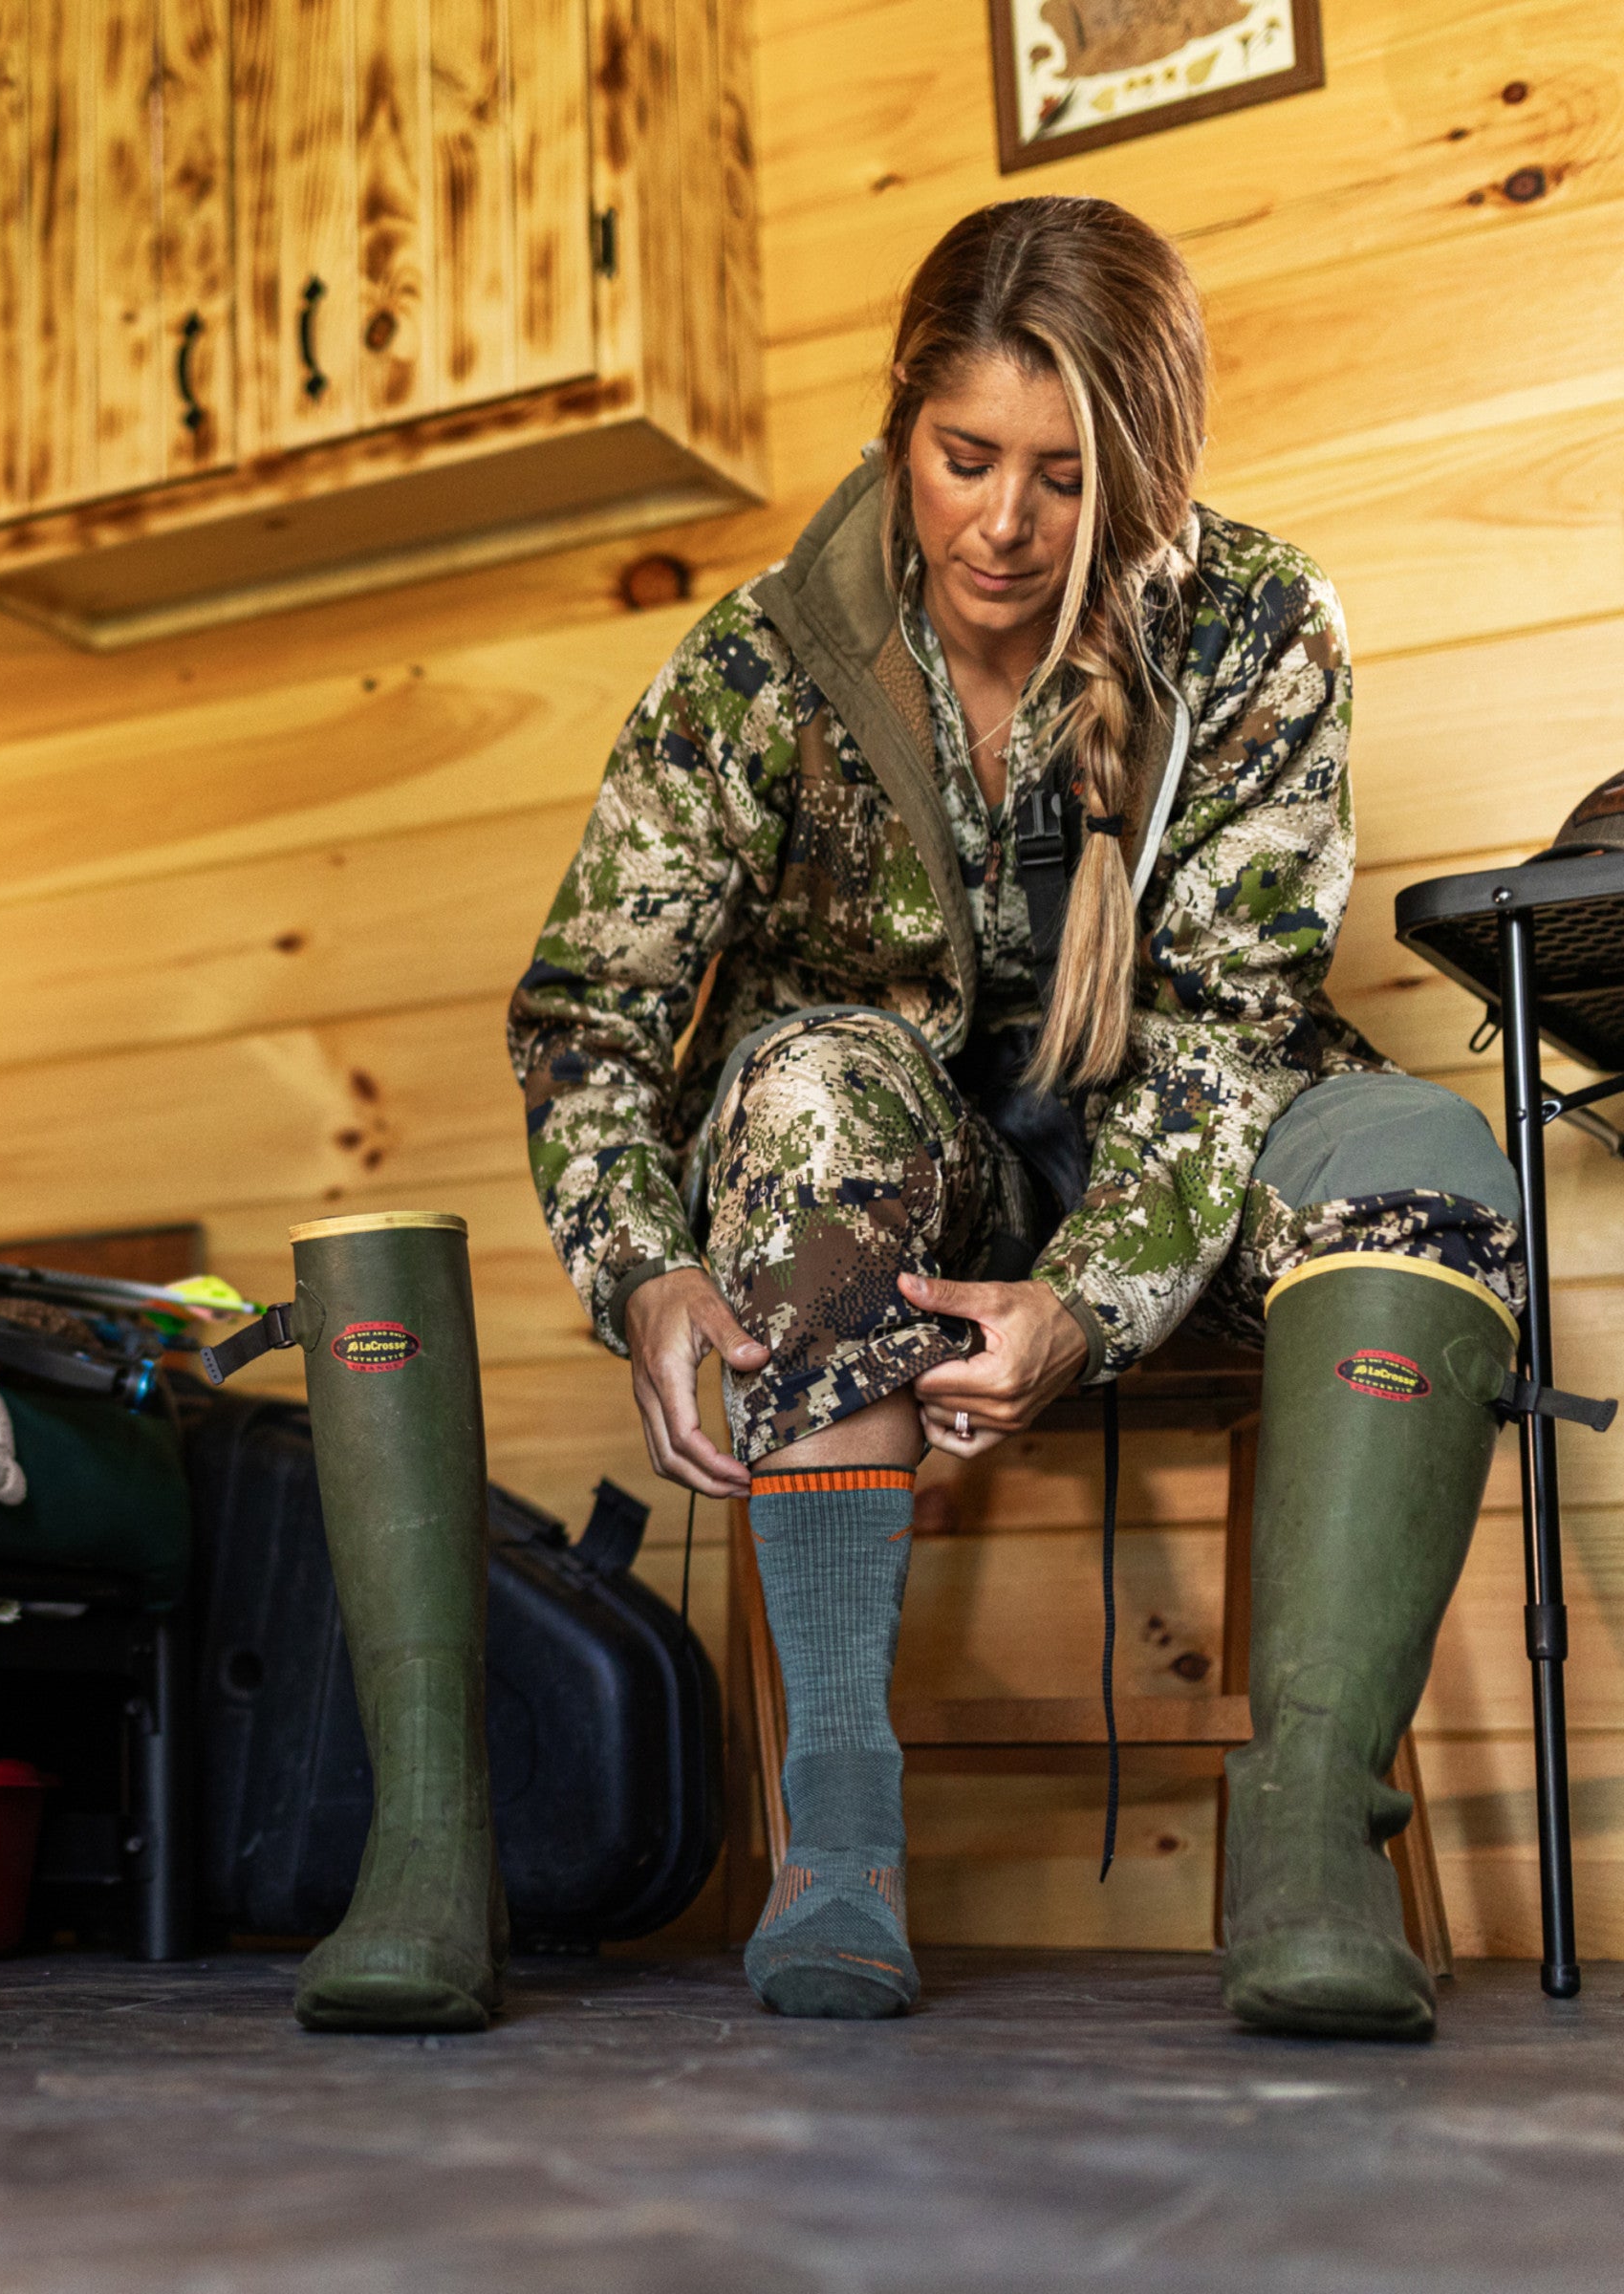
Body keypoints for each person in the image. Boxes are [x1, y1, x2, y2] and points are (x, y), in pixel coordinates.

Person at [508, 196, 1526, 2041]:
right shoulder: (754, 678)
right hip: (897, 1196)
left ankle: (1310, 1845)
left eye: (1066, 476)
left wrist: (1096, 1299)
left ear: (1142, 469)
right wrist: (642, 1271)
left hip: (1174, 1167)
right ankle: (840, 1845)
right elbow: (590, 1020)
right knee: (811, 1091)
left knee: (1424, 1162)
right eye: (964, 457)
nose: (1004, 520)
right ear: (900, 425)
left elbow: (1225, 1031)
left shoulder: (1260, 626)